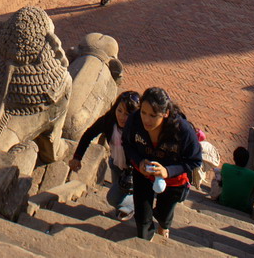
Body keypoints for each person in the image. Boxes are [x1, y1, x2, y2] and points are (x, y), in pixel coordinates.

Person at [123, 87, 202, 241]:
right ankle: (145, 237)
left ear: (165, 113)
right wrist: (139, 161)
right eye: (143, 113)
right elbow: (127, 144)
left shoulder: (182, 131)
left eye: (153, 115)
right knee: (142, 218)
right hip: (143, 173)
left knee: (164, 213)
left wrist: (168, 171)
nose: (146, 119)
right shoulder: (134, 121)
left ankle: (164, 225)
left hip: (173, 181)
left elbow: (195, 160)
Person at [69, 91, 140, 220]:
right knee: (119, 194)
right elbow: (88, 134)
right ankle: (124, 209)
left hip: (133, 169)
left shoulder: (139, 129)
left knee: (113, 198)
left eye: (127, 114)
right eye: (119, 111)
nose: (122, 117)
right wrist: (77, 157)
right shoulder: (109, 120)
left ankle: (136, 205)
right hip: (116, 164)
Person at [215, 147, 254, 213]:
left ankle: (216, 195)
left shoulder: (226, 167)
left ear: (234, 158)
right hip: (243, 207)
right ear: (247, 161)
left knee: (218, 174)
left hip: (223, 202)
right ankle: (249, 205)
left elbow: (221, 182)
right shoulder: (253, 175)